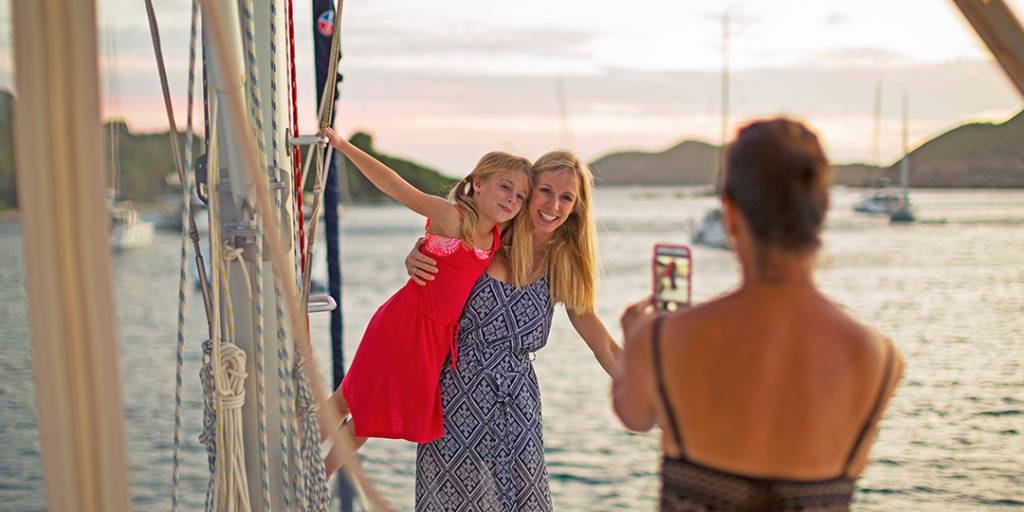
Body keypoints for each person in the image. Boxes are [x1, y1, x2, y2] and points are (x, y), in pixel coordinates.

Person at [613, 118, 904, 511]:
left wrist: (635, 340)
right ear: (822, 211)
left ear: (730, 214)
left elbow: (635, 415)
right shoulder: (879, 358)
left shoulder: (664, 339)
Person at [406, 149, 622, 511]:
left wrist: (645, 390)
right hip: (458, 396)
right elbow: (437, 252)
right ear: (529, 191)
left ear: (576, 207)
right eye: (546, 191)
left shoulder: (563, 261)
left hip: (518, 404)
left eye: (566, 197)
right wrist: (417, 255)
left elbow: (601, 343)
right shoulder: (489, 235)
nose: (553, 204)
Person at [319, 128, 533, 473]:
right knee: (351, 402)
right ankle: (296, 462)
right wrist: (344, 147)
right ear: (477, 183)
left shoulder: (497, 233)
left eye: (520, 196)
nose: (512, 199)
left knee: (365, 418)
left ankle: (313, 480)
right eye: (505, 187)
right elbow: (394, 186)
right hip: (404, 323)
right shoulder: (452, 217)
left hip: (434, 340)